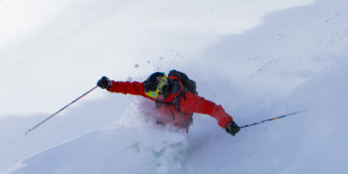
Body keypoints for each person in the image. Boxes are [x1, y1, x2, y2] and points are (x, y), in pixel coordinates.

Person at [97, 70, 240, 135]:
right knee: (149, 121)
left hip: (178, 127)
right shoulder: (154, 92)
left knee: (172, 143)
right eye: (150, 93)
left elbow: (211, 108)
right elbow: (132, 87)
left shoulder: (186, 101)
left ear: (163, 90)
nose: (150, 96)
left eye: (153, 94)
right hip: (161, 119)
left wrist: (227, 123)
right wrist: (110, 85)